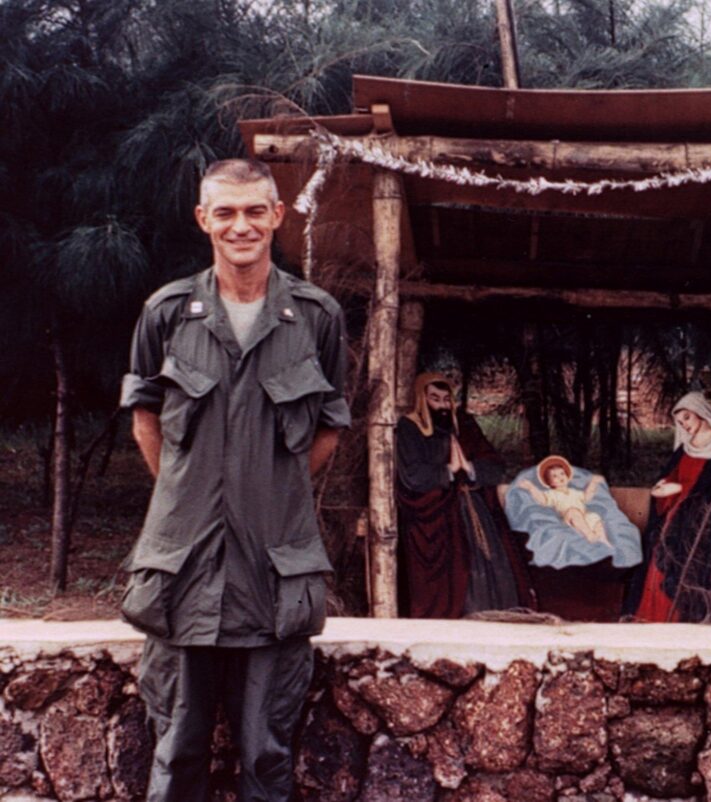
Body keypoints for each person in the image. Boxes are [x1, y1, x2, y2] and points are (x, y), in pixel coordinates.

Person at [119, 158, 350, 802]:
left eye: (254, 211)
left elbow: (329, 427)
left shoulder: (316, 316)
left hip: (276, 570)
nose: (240, 226)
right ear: (204, 219)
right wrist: (186, 490)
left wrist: (270, 488)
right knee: (175, 753)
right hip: (182, 568)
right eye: (225, 212)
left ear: (278, 215)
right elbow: (145, 419)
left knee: (267, 756)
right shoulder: (167, 312)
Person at [396, 372, 534, 618]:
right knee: (457, 570)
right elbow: (412, 476)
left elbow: (494, 465)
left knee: (491, 564)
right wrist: (448, 470)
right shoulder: (410, 427)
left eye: (446, 399)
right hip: (438, 514)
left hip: (473, 507)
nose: (442, 406)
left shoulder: (464, 424)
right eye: (435, 399)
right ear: (422, 399)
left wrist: (469, 467)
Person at [624, 391, 711, 623]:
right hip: (676, 513)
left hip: (706, 523)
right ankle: (653, 616)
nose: (685, 425)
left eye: (687, 418)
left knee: (685, 559)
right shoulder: (687, 447)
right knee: (658, 551)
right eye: (680, 422)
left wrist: (680, 489)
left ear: (701, 413)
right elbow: (672, 474)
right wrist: (664, 484)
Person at [517, 455, 612, 546]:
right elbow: (542, 500)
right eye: (555, 476)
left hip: (584, 517)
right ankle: (589, 535)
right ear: (550, 482)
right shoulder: (552, 494)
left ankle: (603, 539)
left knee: (594, 516)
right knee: (573, 512)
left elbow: (587, 497)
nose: (560, 477)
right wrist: (531, 487)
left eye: (562, 473)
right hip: (569, 519)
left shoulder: (574, 492)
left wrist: (593, 483)